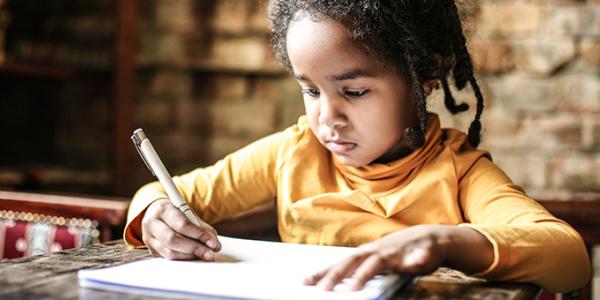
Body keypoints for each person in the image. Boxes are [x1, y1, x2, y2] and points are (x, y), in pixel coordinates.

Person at [124, 0, 591, 293]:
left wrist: (444, 241)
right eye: (310, 90)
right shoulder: (295, 152)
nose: (327, 116)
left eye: (354, 91)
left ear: (423, 75)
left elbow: (569, 257)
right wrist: (155, 216)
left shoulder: (459, 172)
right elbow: (166, 193)